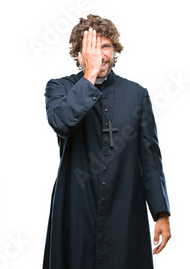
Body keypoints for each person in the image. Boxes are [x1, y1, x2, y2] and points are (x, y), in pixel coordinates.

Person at [43, 14, 171, 268]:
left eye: (106, 46)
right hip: (75, 208)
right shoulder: (59, 88)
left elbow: (150, 158)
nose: (100, 55)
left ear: (115, 51)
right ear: (78, 54)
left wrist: (161, 212)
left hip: (124, 207)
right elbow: (63, 123)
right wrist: (89, 76)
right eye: (91, 48)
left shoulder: (137, 94)